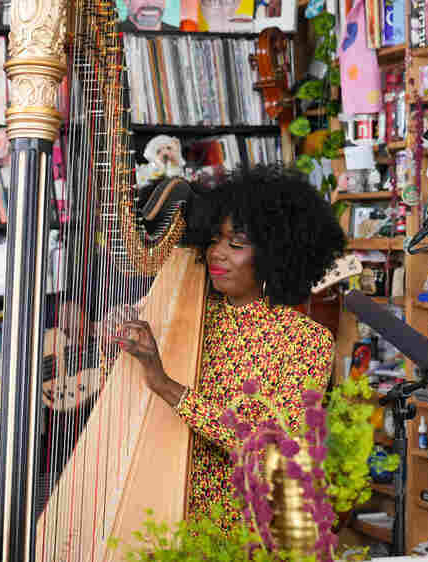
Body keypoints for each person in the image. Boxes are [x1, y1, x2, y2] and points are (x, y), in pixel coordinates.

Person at [116, 165, 347, 527]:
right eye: (214, 240)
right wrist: (117, 345)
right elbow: (129, 395)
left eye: (236, 244)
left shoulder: (306, 340)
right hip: (164, 499)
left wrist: (169, 387)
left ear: (275, 254)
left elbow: (276, 452)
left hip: (243, 521)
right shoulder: (185, 314)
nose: (217, 253)